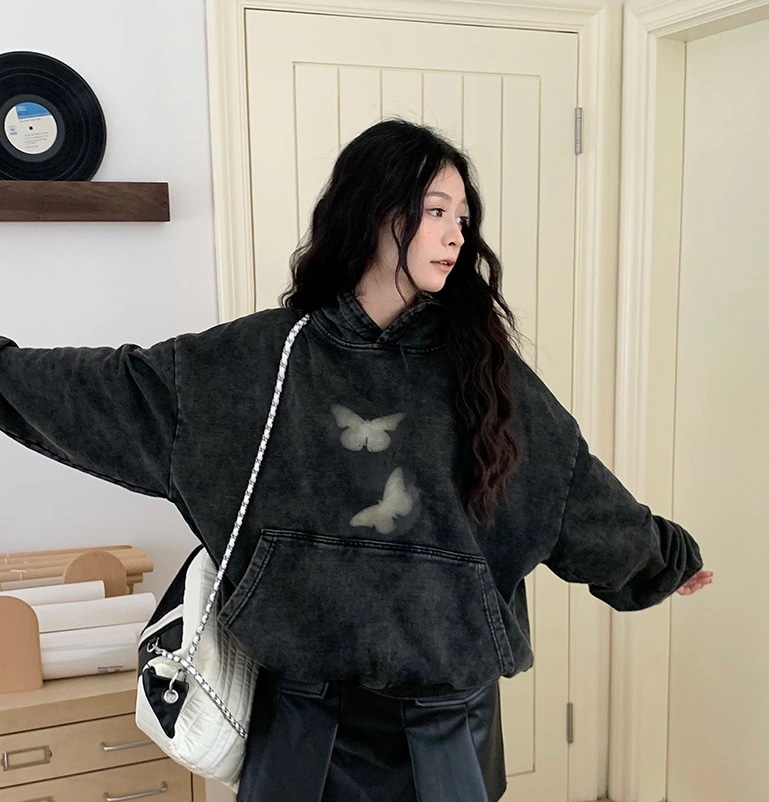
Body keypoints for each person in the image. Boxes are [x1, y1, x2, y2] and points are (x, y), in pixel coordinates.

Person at [0, 119, 712, 802]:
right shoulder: (257, 363)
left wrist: (662, 560)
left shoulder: (487, 376)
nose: (456, 234)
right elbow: (109, 393)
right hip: (299, 722)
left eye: (462, 217)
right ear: (372, 213)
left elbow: (572, 493)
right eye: (435, 211)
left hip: (447, 727)